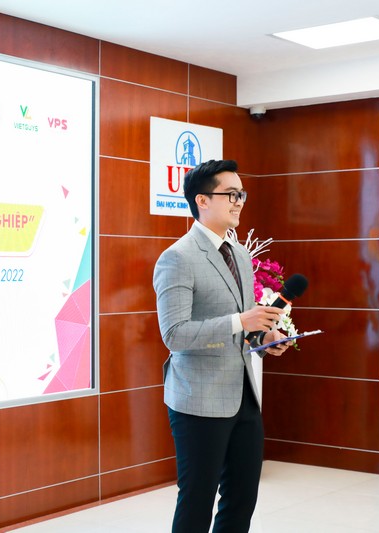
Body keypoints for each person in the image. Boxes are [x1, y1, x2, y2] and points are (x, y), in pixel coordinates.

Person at [152, 159, 291, 533]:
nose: (238, 201)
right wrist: (241, 322)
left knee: (242, 500)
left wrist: (265, 338)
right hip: (198, 399)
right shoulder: (177, 258)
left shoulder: (240, 254)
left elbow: (245, 328)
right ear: (202, 200)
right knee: (196, 502)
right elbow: (175, 334)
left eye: (241, 194)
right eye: (230, 194)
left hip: (243, 396)